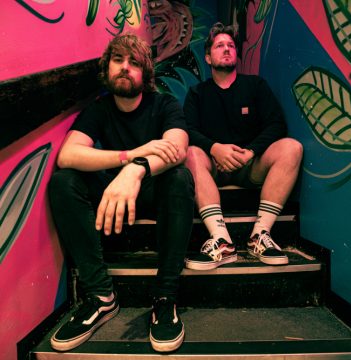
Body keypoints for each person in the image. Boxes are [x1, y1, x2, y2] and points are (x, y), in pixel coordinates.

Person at [48, 33, 194, 353]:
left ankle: (165, 298)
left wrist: (135, 169)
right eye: (118, 60)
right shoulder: (99, 110)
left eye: (135, 62)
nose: (125, 68)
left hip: (154, 192)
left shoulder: (165, 104)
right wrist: (130, 155)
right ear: (107, 68)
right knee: (63, 181)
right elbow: (68, 155)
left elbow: (178, 149)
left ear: (146, 73)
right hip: (113, 197)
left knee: (180, 177)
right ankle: (101, 297)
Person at [183, 22, 303, 270]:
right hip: (213, 169)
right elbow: (188, 131)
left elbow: (276, 124)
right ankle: (221, 240)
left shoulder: (255, 85)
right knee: (190, 152)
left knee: (292, 147)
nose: (226, 49)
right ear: (208, 57)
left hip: (250, 167)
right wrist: (215, 148)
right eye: (219, 46)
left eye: (230, 46)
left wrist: (250, 152)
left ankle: (259, 235)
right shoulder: (197, 93)